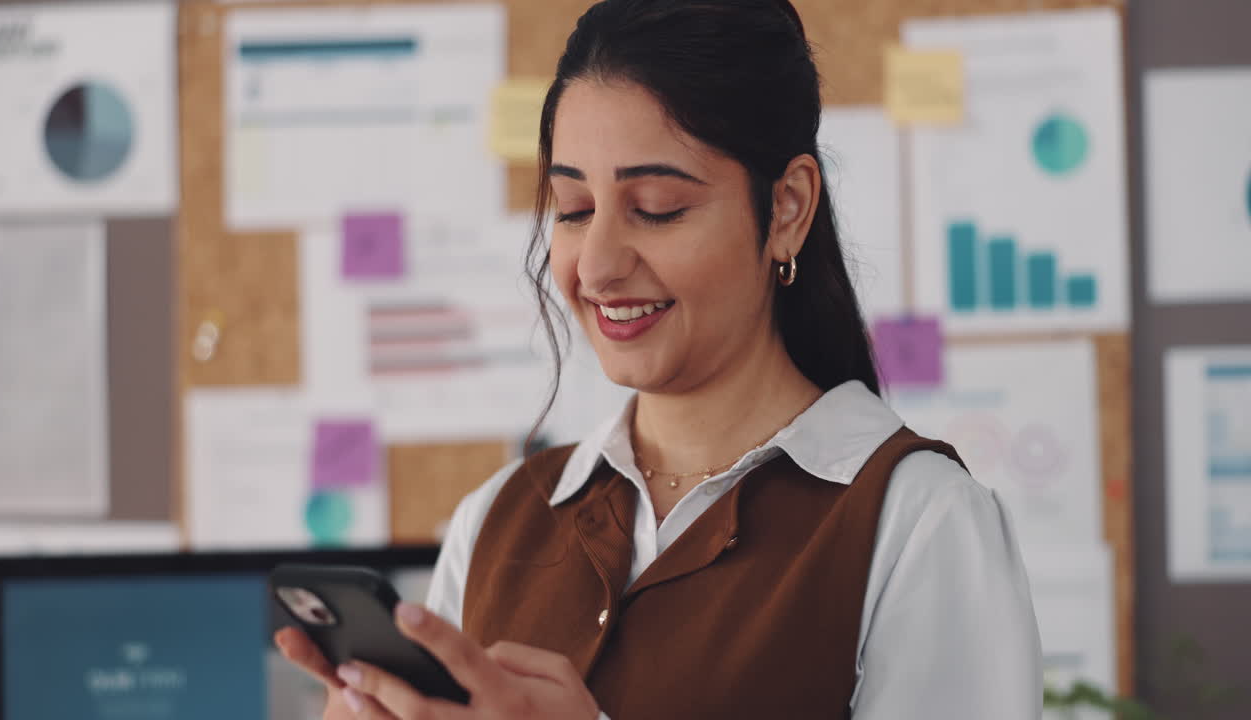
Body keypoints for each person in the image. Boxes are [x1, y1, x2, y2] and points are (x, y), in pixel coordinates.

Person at [276, 0, 1043, 717]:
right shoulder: (498, 522)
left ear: (786, 208)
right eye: (574, 210)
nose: (597, 264)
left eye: (657, 210)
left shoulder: (920, 520)